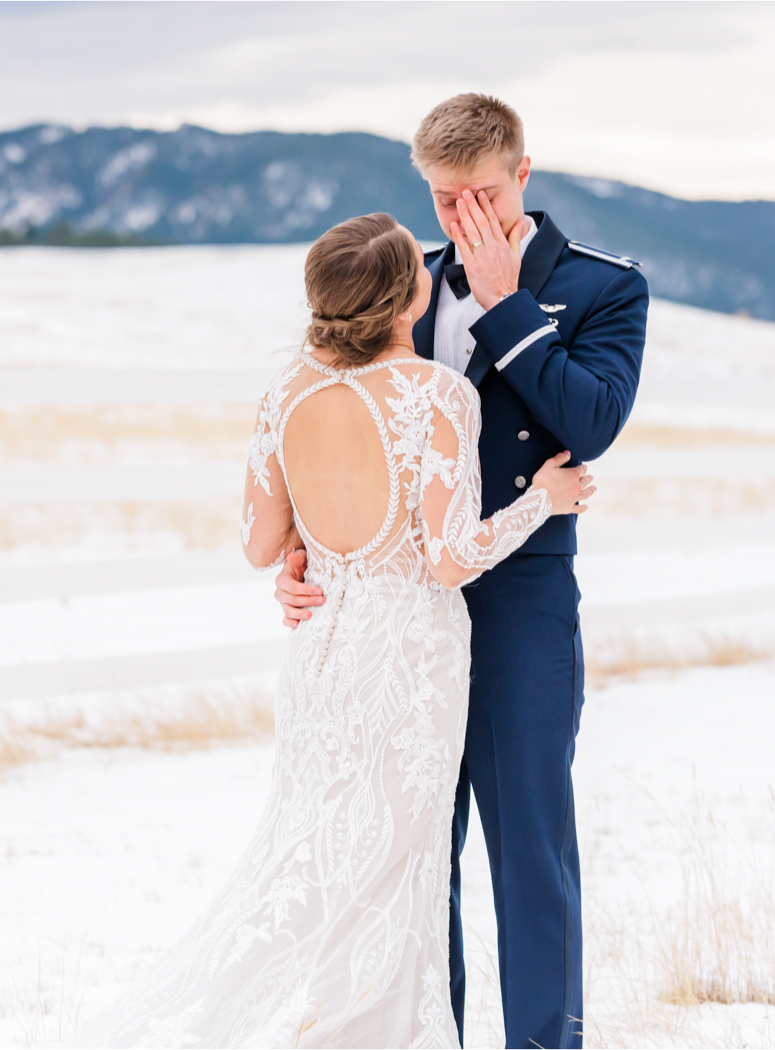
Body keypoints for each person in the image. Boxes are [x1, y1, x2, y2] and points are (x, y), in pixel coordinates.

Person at [82, 212, 592, 1048]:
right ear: (410, 295)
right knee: (399, 865)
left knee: (333, 857)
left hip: (322, 654)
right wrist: (545, 499)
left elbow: (256, 541)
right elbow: (451, 558)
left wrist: (306, 551)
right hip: (411, 658)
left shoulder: (285, 393)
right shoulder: (437, 393)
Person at [275, 94, 649, 1049]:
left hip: (521, 600)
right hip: (400, 612)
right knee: (412, 848)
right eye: (442, 201)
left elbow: (591, 422)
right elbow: (340, 427)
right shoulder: (399, 285)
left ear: (523, 175)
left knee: (528, 844)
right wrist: (308, 546)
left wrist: (505, 305)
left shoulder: (604, 288)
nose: (460, 219)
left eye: (479, 194)